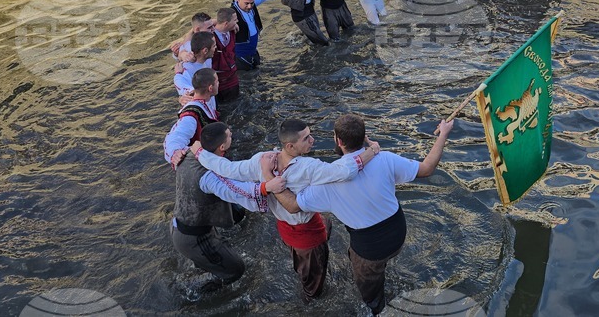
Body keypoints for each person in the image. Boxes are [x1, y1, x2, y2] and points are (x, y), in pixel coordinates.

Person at [275, 113, 454, 315]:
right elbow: (427, 168)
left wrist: (269, 182)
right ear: (364, 137)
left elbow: (291, 206)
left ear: (338, 141)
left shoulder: (327, 182)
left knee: (371, 299)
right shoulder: (384, 158)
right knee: (364, 258)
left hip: (370, 250)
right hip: (398, 235)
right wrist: (443, 134)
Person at [191, 119, 381, 301]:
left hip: (285, 229)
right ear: (290, 146)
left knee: (317, 237)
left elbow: (226, 168)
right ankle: (311, 307)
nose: (312, 140)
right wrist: (372, 150)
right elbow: (346, 171)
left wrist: (199, 152)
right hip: (308, 237)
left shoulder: (263, 160)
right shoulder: (308, 167)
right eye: (306, 138)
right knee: (313, 287)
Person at [171, 122, 286, 293]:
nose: (232, 134)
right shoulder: (208, 176)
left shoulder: (188, 153)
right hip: (194, 238)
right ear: (222, 146)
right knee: (236, 270)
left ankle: (202, 271)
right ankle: (191, 291)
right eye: (229, 135)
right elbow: (234, 190)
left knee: (235, 219)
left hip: (181, 225)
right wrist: (267, 187)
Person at [164, 68, 219, 167]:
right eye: (217, 81)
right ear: (210, 88)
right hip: (199, 164)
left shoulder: (201, 94)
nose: (219, 83)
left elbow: (181, 84)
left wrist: (178, 73)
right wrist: (174, 153)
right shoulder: (190, 116)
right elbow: (175, 136)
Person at [232, 0, 287, 70]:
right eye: (246, 3)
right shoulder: (231, 14)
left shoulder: (251, 4)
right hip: (240, 56)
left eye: (251, 3)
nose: (249, 6)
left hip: (253, 51)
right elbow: (220, 24)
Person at [173, 31, 216, 107]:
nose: (216, 48)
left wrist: (181, 53)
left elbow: (186, 42)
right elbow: (182, 87)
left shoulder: (207, 58)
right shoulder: (186, 69)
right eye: (214, 46)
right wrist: (178, 74)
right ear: (205, 51)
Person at [211, 8, 240, 103]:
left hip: (233, 78)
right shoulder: (209, 36)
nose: (237, 22)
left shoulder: (232, 31)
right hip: (218, 82)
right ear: (226, 23)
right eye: (235, 20)